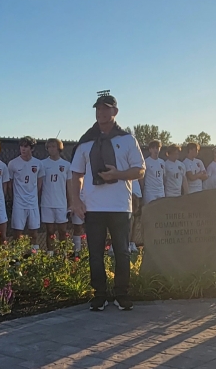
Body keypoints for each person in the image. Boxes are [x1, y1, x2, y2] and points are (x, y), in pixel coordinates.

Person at [71, 94, 145, 311]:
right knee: (95, 253)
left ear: (115, 112)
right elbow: (76, 174)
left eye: (106, 109)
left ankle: (122, 294)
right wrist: (76, 201)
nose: (101, 113)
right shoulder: (86, 141)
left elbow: (140, 170)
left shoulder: (127, 139)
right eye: (98, 109)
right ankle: (100, 294)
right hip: (93, 207)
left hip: (120, 207)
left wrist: (118, 175)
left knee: (122, 252)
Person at [8, 136, 45, 251]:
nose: (23, 149)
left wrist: (33, 197)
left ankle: (34, 259)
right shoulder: (13, 163)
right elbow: (10, 184)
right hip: (19, 204)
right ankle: (17, 260)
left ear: (32, 148)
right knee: (17, 235)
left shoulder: (38, 164)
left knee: (34, 234)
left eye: (26, 146)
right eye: (21, 146)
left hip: (33, 204)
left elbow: (39, 184)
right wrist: (13, 199)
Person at [40, 138, 72, 256]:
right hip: (47, 203)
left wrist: (70, 203)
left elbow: (69, 186)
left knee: (63, 231)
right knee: (50, 231)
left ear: (59, 148)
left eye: (54, 146)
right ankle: (50, 254)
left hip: (61, 203)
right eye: (49, 147)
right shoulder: (42, 164)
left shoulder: (66, 165)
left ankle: (64, 254)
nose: (51, 149)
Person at [140, 140, 165, 205]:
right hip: (150, 192)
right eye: (153, 148)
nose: (155, 150)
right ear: (150, 150)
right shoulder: (146, 162)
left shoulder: (162, 162)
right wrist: (143, 189)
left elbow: (164, 177)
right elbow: (142, 178)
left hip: (160, 191)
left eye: (157, 148)